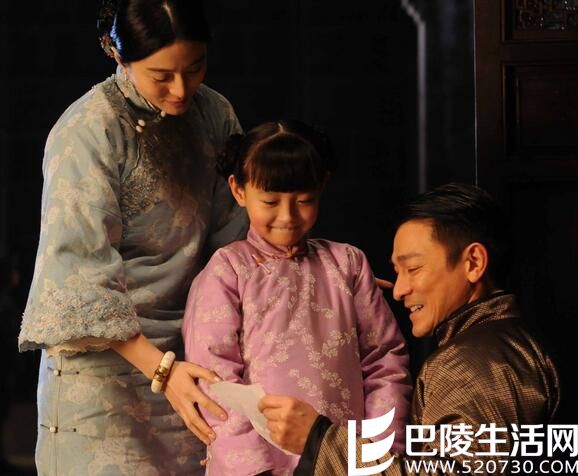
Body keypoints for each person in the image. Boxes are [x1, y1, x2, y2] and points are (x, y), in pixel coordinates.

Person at [18, 1, 247, 474]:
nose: (181, 89)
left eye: (195, 67)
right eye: (161, 75)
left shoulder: (215, 114)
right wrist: (163, 370)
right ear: (117, 54)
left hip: (195, 361)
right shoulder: (89, 129)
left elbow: (235, 244)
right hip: (104, 376)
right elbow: (78, 280)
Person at [259, 183, 560, 475]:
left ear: (473, 262)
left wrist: (319, 441)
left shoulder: (471, 363)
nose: (399, 289)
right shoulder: (505, 345)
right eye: (397, 272)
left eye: (413, 269)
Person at [182, 120, 412, 475]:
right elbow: (216, 382)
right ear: (239, 191)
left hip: (340, 463)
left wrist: (375, 455)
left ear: (322, 187)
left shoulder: (348, 264)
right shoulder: (229, 270)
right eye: (270, 201)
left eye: (304, 200)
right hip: (261, 468)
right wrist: (254, 470)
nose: (287, 216)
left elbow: (385, 362)